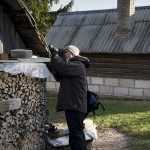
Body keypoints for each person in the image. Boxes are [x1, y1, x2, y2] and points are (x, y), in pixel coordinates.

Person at [50, 45, 90, 150]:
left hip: (76, 105)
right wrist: (55, 65)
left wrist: (55, 56)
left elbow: (63, 69)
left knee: (76, 135)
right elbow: (59, 76)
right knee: (75, 134)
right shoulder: (71, 65)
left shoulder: (78, 65)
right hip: (73, 105)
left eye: (65, 52)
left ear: (71, 53)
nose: (63, 54)